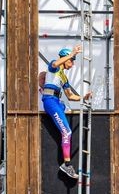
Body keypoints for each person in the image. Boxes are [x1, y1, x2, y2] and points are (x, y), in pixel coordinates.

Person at [38, 45, 91, 179]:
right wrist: (72, 53)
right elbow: (56, 63)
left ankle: (66, 164)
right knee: (66, 132)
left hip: (57, 102)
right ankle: (66, 164)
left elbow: (70, 96)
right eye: (71, 61)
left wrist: (83, 97)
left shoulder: (63, 77)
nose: (72, 64)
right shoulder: (53, 66)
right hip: (50, 100)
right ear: (64, 58)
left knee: (66, 132)